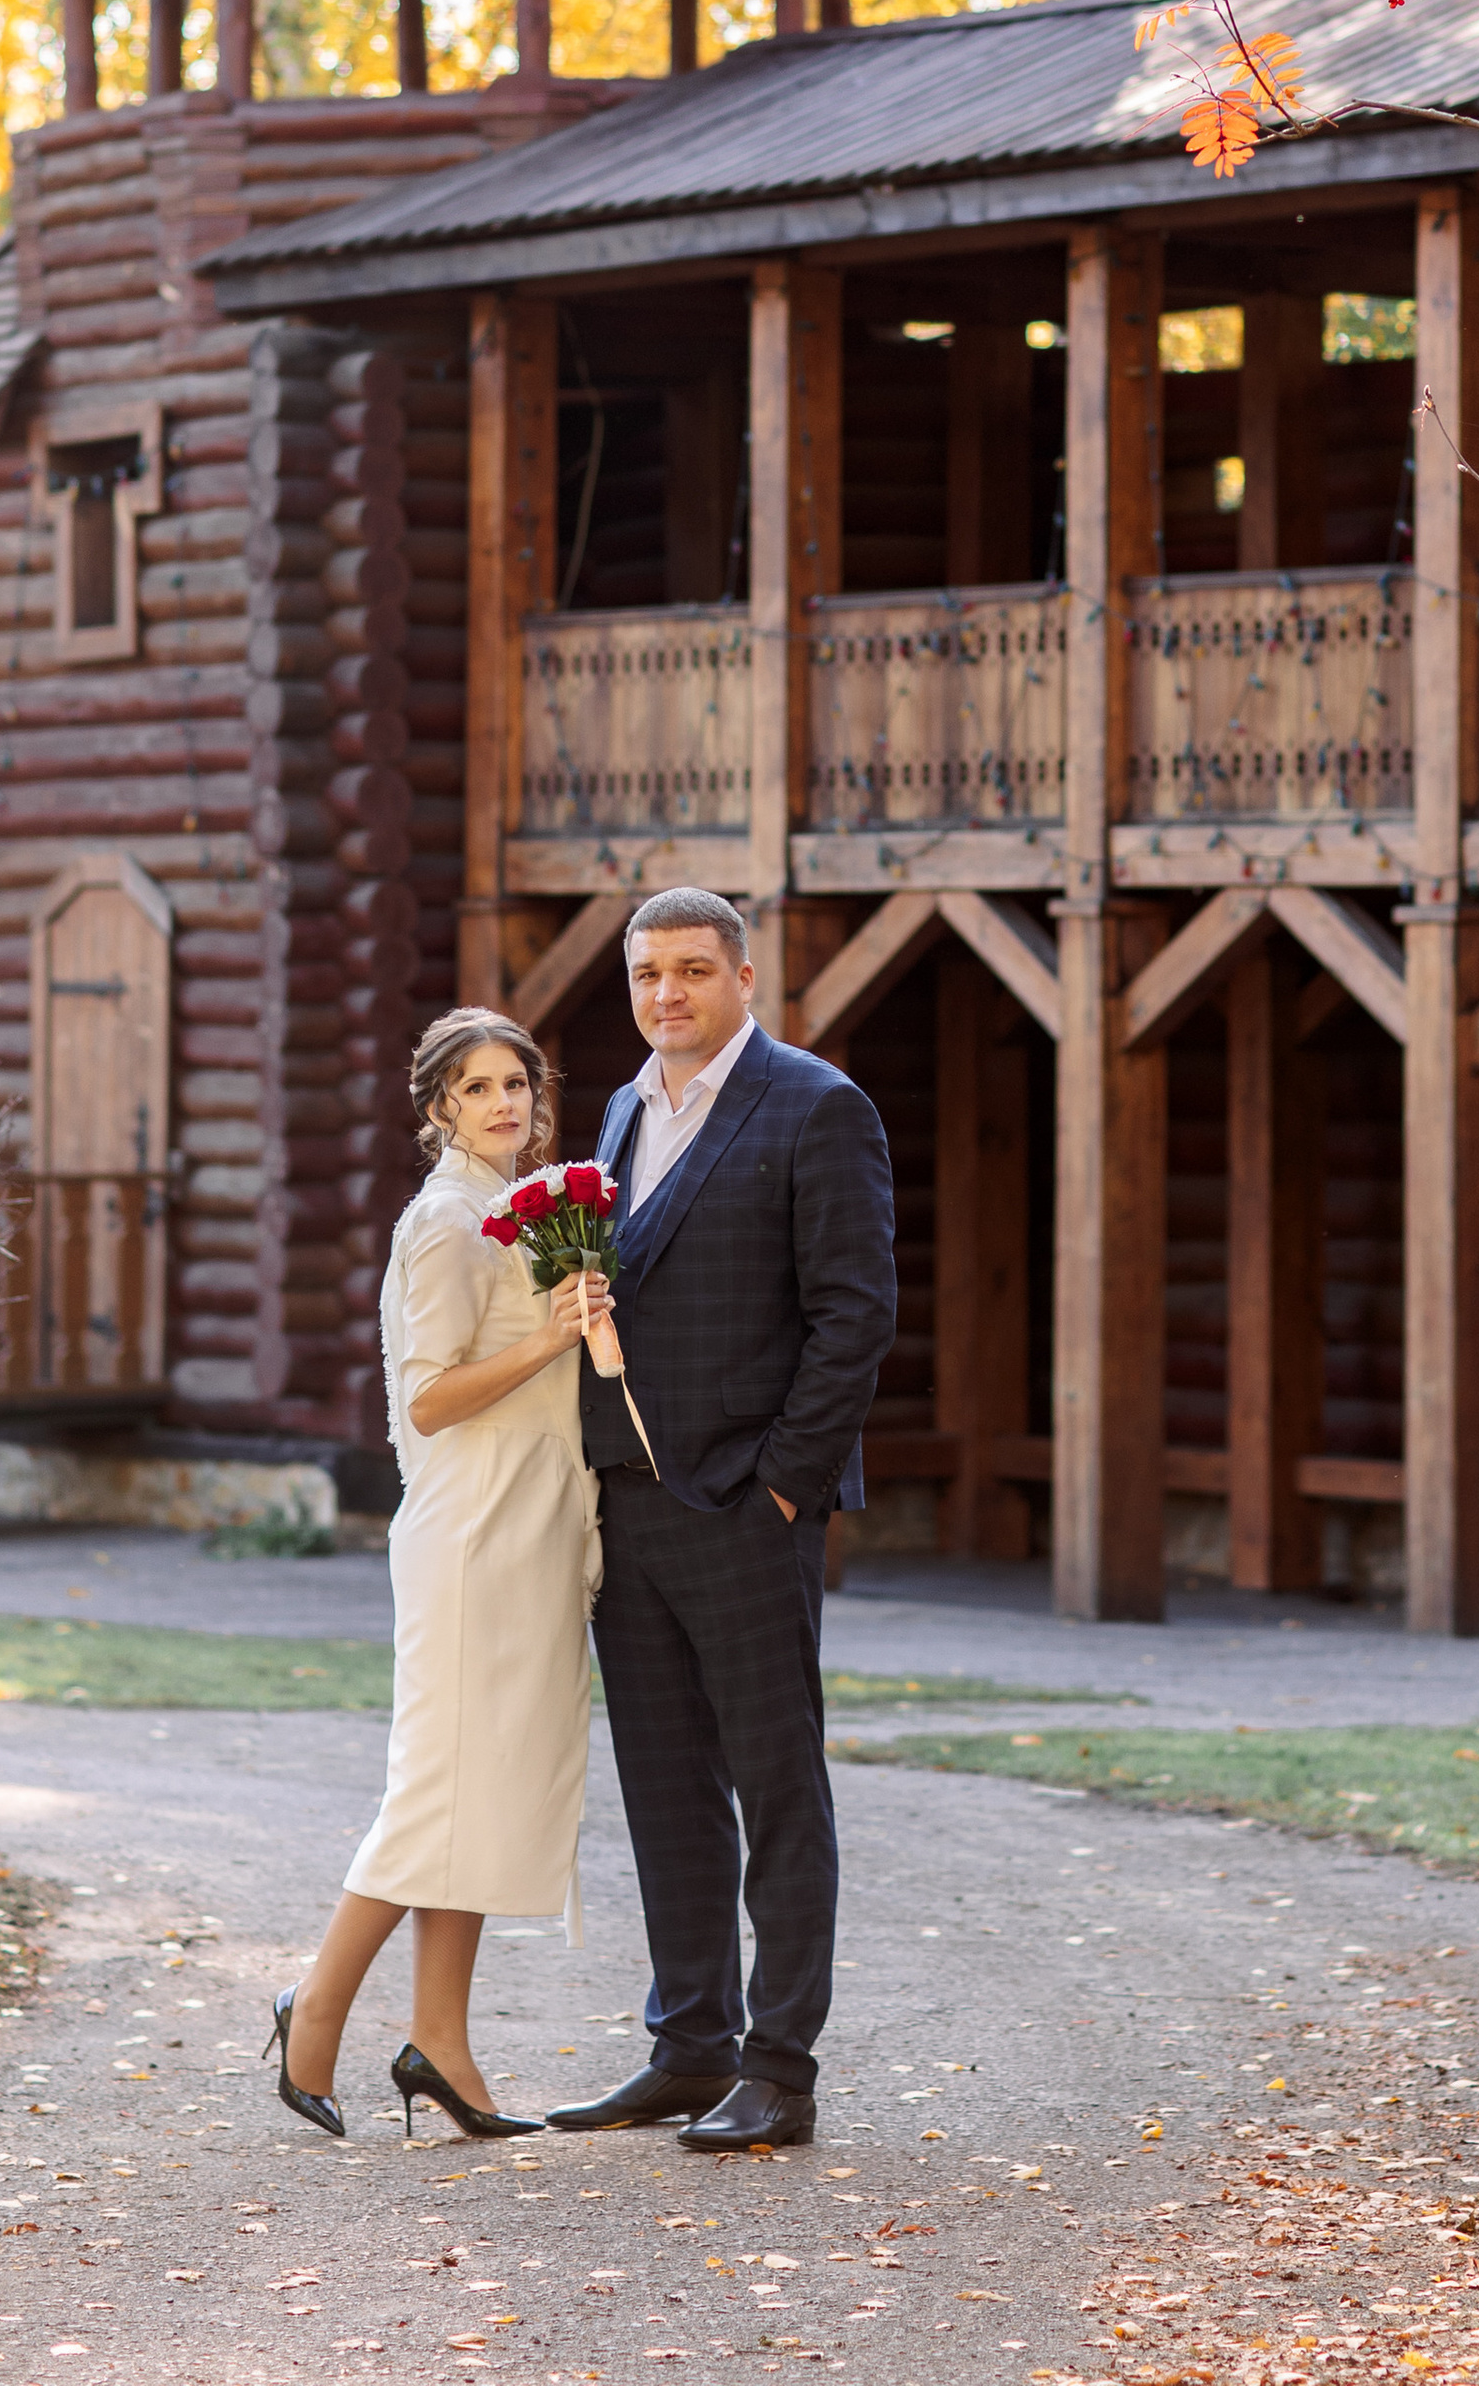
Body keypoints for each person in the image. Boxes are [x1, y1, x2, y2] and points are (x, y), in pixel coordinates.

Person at [550, 888, 896, 2154]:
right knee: (665, 1788)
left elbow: (855, 1313)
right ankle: (689, 2046)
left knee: (776, 1787)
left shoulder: (817, 1106)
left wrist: (784, 1487)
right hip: (628, 1508)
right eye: (648, 973)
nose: (667, 995)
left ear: (744, 978)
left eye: (693, 971)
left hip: (750, 1508)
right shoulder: (623, 1110)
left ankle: (780, 2069)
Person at [268, 1005, 608, 2142]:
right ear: (436, 1109)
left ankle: (441, 2045)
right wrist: (552, 1336)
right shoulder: (450, 1221)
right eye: (476, 1088)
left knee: (479, 1790)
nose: (504, 1103)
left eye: (516, 1083)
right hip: (472, 1534)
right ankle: (315, 2010)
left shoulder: (522, 1208)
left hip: (528, 1525)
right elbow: (426, 1398)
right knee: (435, 1791)